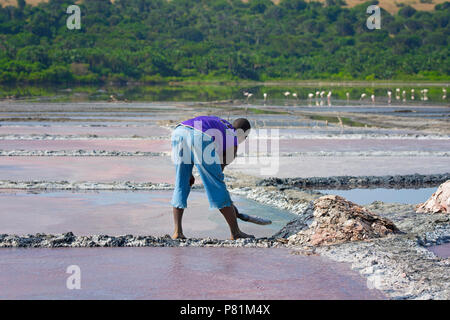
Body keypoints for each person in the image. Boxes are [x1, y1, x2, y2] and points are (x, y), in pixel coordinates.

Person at [170, 115, 254, 240]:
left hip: (179, 130)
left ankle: (177, 232)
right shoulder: (233, 139)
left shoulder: (222, 123)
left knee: (182, 182)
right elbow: (217, 177)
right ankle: (235, 232)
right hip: (200, 136)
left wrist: (190, 173)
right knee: (217, 186)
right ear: (244, 135)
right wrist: (230, 205)